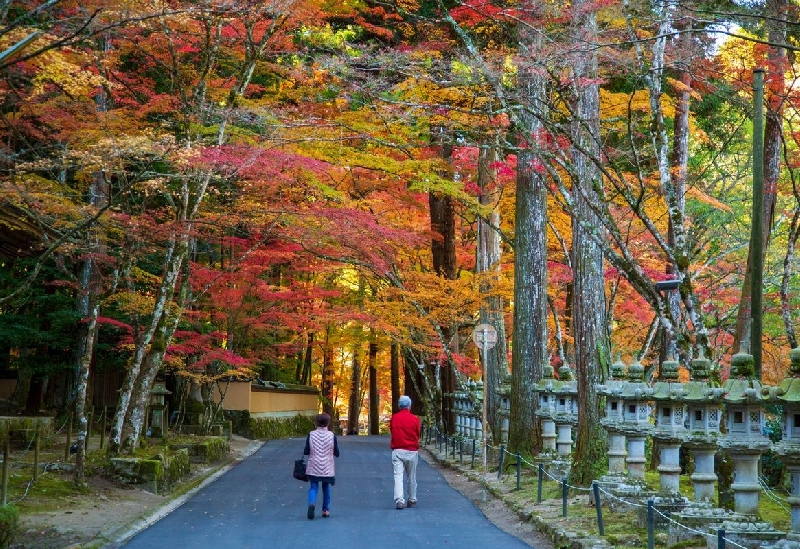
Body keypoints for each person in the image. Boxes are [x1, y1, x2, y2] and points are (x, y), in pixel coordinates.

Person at [304, 413, 339, 520]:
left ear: (316, 423)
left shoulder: (311, 434)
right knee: (326, 487)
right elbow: (337, 452)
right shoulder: (332, 436)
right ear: (328, 423)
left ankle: (312, 504)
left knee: (313, 487)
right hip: (327, 467)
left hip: (314, 465)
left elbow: (306, 451)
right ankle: (325, 510)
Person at [389, 395, 421, 509]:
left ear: (399, 406)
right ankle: (412, 499)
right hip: (411, 450)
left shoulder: (394, 418)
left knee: (398, 476)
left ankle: (399, 500)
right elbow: (418, 433)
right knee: (411, 476)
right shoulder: (415, 419)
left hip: (398, 450)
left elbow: (392, 431)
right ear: (409, 406)